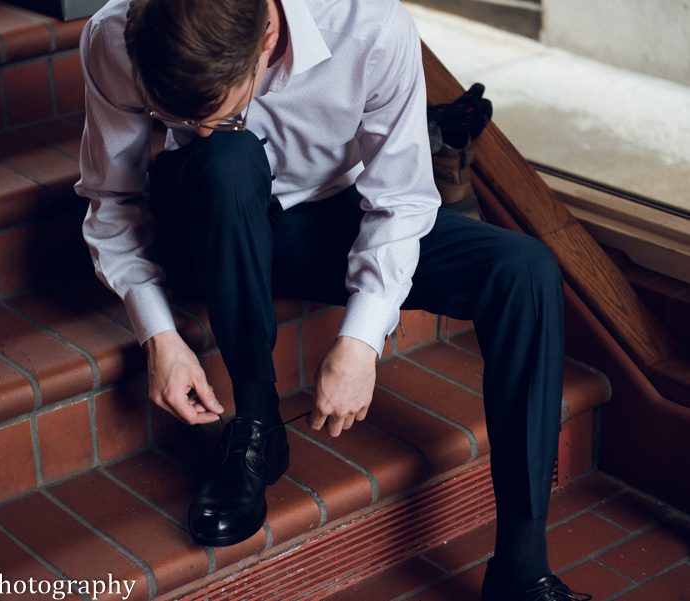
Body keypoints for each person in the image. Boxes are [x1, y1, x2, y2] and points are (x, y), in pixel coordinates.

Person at [75, 0, 590, 599]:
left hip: (321, 218)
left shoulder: (370, 25)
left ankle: (521, 570)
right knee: (223, 156)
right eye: (180, 116)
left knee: (525, 269)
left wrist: (361, 338)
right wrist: (159, 332)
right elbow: (113, 200)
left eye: (220, 110)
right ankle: (256, 429)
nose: (201, 124)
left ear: (266, 38)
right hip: (207, 224)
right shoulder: (116, 34)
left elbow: (401, 201)